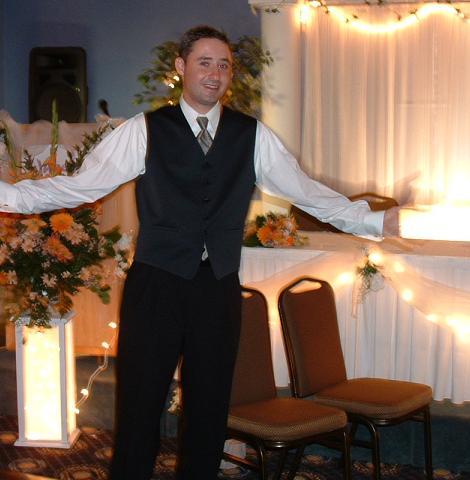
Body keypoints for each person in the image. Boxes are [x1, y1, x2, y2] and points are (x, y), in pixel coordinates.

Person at [0, 25, 399, 480]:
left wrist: (372, 221)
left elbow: (306, 192)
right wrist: (9, 197)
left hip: (218, 288)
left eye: (223, 65)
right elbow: (81, 186)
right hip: (156, 285)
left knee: (209, 411)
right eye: (204, 62)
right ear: (181, 67)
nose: (215, 73)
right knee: (139, 407)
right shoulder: (145, 130)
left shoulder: (252, 134)